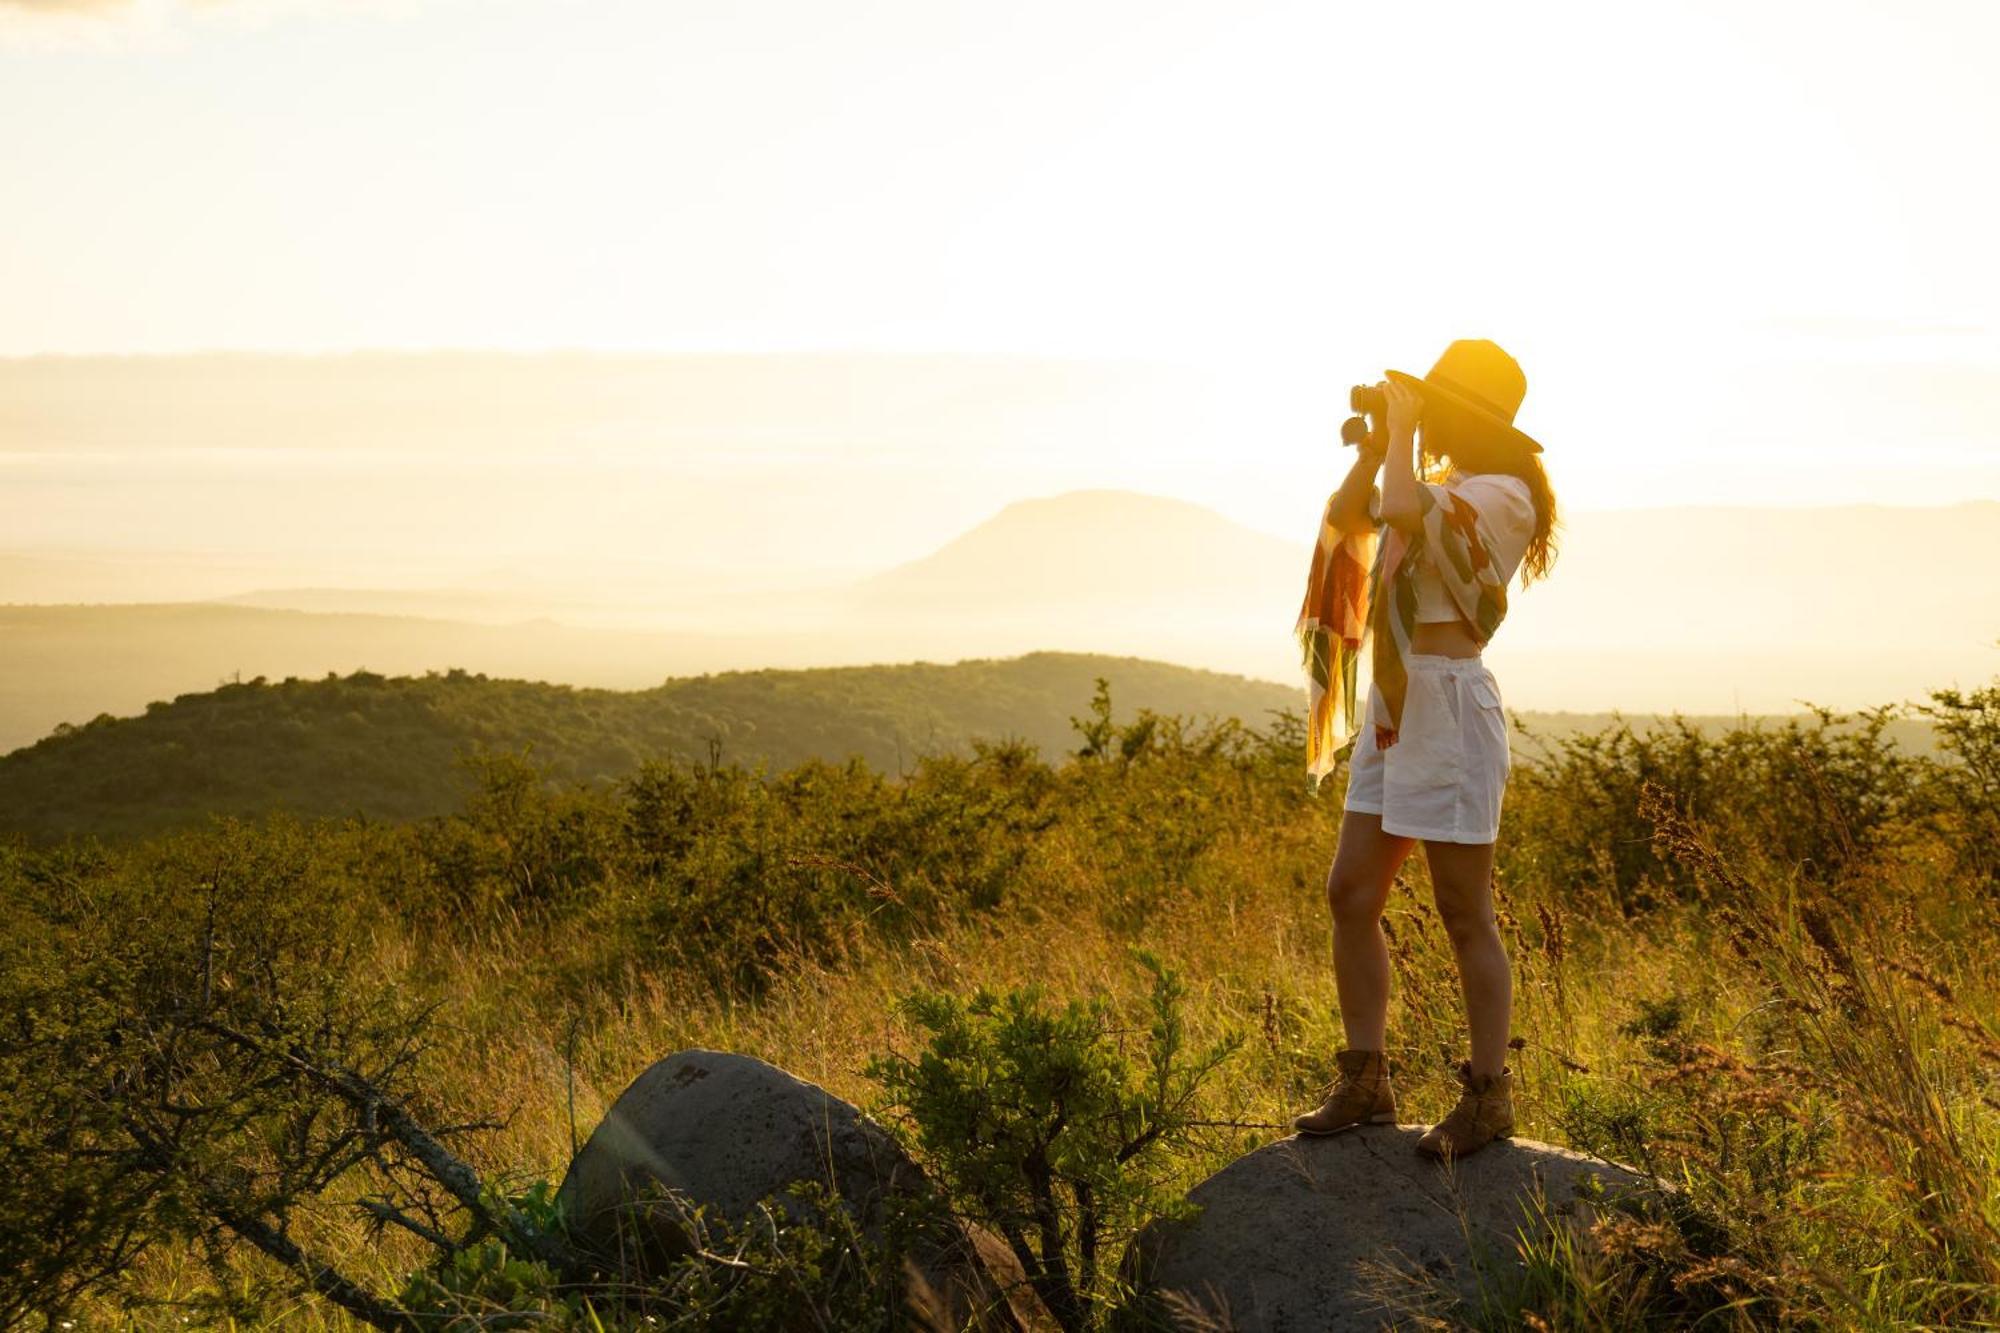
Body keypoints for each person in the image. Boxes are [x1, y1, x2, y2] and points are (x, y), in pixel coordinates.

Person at [1289, 339, 1561, 1160]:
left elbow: (1406, 512)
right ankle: (1366, 1076)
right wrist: (1374, 449)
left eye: (1437, 406)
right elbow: (1352, 521)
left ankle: (1487, 1096)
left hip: (1447, 700)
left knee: (1462, 910)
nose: (1427, 418)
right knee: (1351, 892)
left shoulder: (1503, 493)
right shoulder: (1436, 483)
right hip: (1399, 702)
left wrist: (1400, 442)